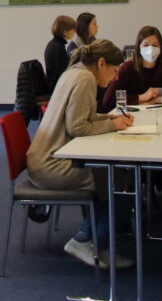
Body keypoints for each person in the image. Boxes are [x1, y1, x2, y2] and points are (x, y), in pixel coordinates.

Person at [26, 40, 134, 269]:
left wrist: (111, 118)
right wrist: (113, 125)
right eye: (115, 70)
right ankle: (85, 240)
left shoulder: (75, 72)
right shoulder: (85, 79)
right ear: (102, 63)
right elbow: (78, 128)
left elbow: (84, 117)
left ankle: (96, 242)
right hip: (53, 165)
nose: (115, 76)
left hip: (46, 158)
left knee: (117, 176)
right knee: (122, 182)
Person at [100, 26, 162, 111]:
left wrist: (159, 99)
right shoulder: (128, 68)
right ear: (139, 48)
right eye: (146, 45)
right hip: (131, 115)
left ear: (161, 48)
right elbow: (108, 100)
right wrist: (141, 97)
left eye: (155, 45)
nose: (150, 49)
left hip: (157, 114)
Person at [45, 15, 76, 94]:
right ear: (65, 31)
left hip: (54, 85)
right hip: (57, 88)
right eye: (73, 29)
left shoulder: (54, 44)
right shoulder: (58, 48)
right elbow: (64, 72)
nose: (74, 32)